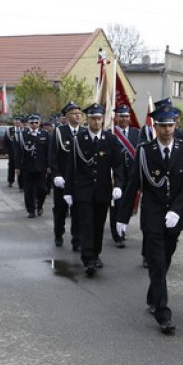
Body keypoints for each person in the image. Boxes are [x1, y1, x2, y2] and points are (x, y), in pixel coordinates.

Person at [115, 103, 183, 334]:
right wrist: (123, 216)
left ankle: (153, 294)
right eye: (162, 126)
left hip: (173, 216)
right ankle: (163, 312)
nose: (167, 130)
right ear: (155, 126)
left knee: (166, 260)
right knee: (157, 263)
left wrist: (177, 209)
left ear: (175, 125)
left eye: (170, 125)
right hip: (152, 215)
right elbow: (134, 184)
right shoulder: (144, 151)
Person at [63, 104, 124, 276]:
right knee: (87, 224)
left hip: (103, 190)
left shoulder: (110, 140)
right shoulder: (79, 139)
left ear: (103, 119)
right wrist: (68, 190)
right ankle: (88, 258)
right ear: (87, 119)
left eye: (98, 118)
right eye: (92, 118)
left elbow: (118, 163)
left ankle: (96, 253)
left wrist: (118, 185)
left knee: (98, 225)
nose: (96, 122)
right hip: (83, 191)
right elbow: (71, 167)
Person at [49, 103, 83, 249]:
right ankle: (58, 234)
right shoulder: (59, 132)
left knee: (78, 211)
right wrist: (56, 175)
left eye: (79, 113)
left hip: (79, 180)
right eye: (74, 113)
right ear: (67, 116)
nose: (77, 116)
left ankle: (77, 239)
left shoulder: (84, 132)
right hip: (62, 179)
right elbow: (52, 156)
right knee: (61, 209)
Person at [109, 106, 141, 248]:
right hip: (116, 174)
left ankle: (123, 227)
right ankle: (117, 236)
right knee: (117, 204)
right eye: (121, 116)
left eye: (127, 116)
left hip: (132, 174)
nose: (124, 119)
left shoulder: (137, 134)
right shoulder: (110, 133)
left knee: (128, 203)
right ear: (116, 117)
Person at [18, 114, 50, 218]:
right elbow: (18, 152)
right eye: (31, 123)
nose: (34, 125)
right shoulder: (23, 135)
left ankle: (39, 205)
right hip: (27, 167)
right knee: (28, 190)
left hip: (41, 167)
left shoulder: (45, 134)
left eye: (36, 122)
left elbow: (49, 151)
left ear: (39, 123)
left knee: (43, 189)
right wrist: (17, 167)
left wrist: (49, 166)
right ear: (28, 123)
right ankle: (31, 210)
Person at [3, 115, 25, 189]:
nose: (17, 123)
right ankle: (10, 181)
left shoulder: (24, 130)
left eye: (19, 122)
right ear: (14, 122)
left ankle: (21, 185)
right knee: (11, 168)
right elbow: (5, 142)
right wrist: (6, 152)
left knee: (21, 169)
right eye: (16, 122)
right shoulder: (9, 130)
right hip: (12, 153)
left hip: (21, 154)